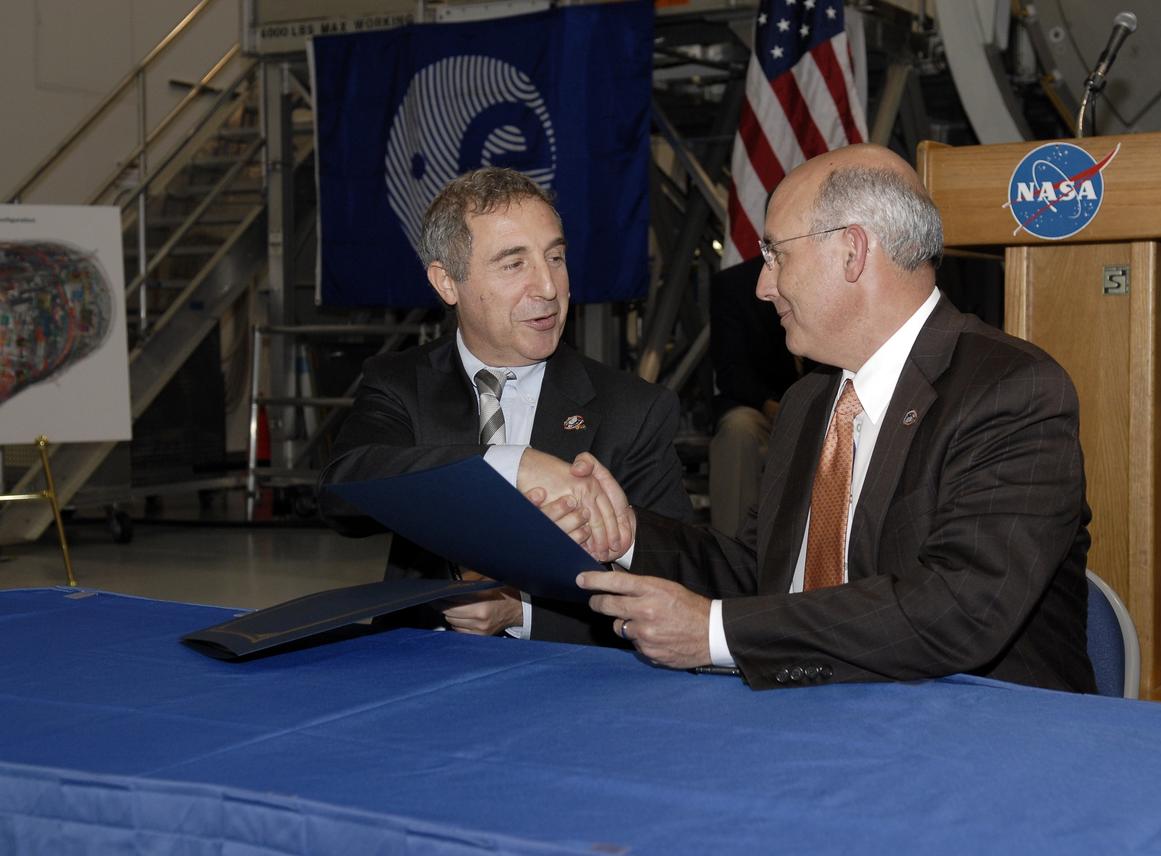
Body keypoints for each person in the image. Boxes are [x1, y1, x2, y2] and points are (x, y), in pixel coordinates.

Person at [565, 144, 1096, 693]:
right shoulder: (809, 401)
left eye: (776, 255)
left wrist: (715, 632)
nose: (762, 287)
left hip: (984, 730)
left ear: (852, 252)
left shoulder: (1012, 391)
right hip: (824, 712)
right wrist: (624, 535)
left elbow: (958, 608)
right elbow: (763, 571)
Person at [318, 167, 691, 646]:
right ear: (446, 283)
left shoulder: (634, 409)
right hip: (414, 670)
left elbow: (677, 575)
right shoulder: (401, 384)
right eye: (514, 264)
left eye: (555, 257)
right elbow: (342, 492)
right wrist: (511, 465)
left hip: (570, 686)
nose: (549, 287)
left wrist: (523, 613)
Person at [708, 256, 802, 536]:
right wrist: (770, 406)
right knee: (738, 431)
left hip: (824, 403)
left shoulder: (834, 271)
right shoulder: (737, 284)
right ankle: (731, 552)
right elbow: (730, 370)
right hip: (762, 405)